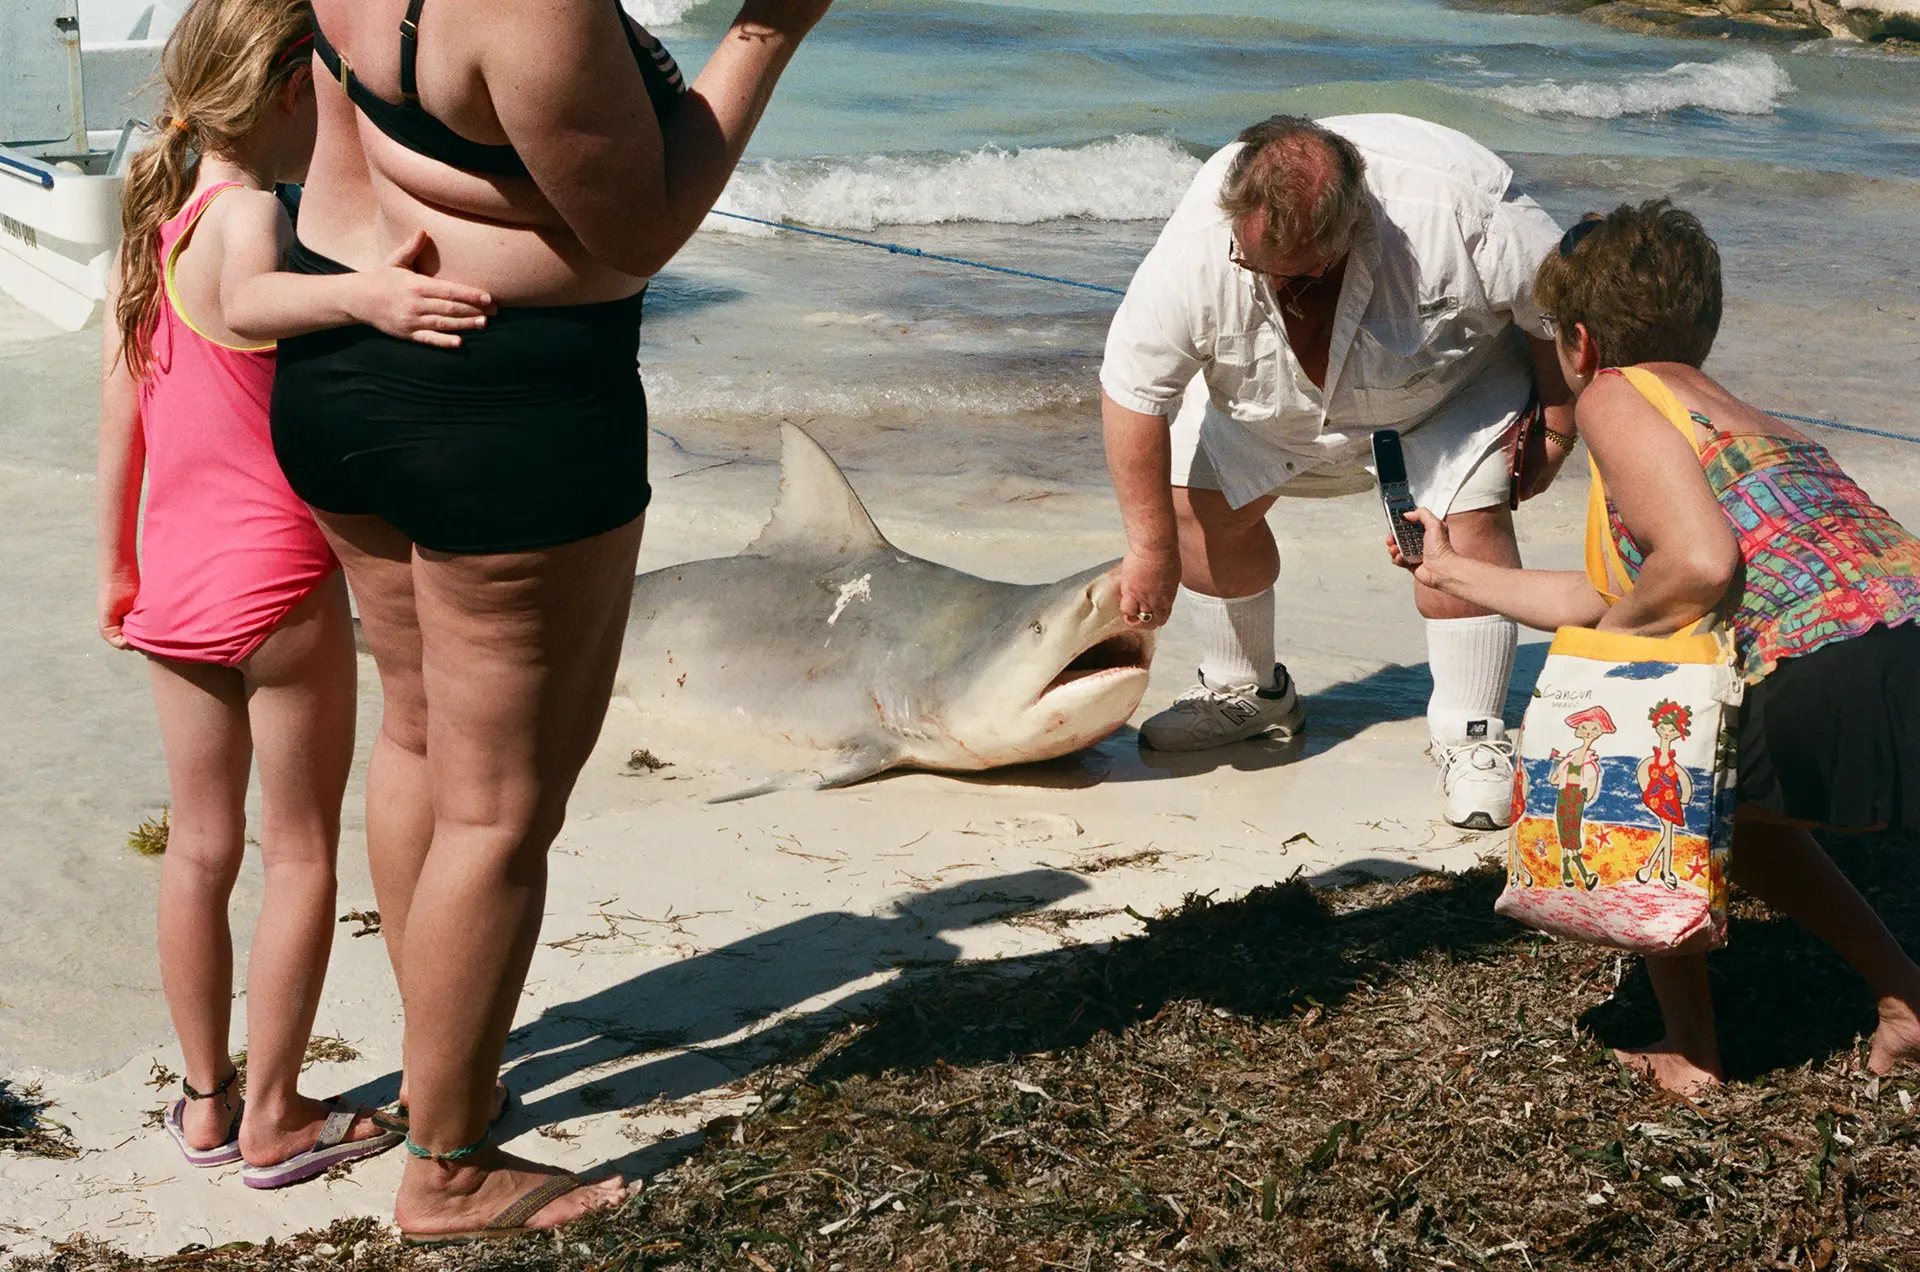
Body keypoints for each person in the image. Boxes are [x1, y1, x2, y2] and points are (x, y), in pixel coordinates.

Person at [260, 0, 834, 1242]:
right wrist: (768, 34)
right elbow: (642, 227)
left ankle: (443, 1073)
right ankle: (449, 1168)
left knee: (417, 733)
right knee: (500, 810)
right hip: (501, 407)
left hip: (342, 361)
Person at [1392, 199, 1920, 1093]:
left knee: (1643, 754)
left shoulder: (1613, 393)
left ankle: (1691, 1050)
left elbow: (1699, 565)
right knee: (1738, 807)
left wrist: (1609, 659)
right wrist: (1452, 573)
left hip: (1837, 679)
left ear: (1580, 341)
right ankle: (1905, 996)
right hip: (1897, 653)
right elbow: (1617, 591)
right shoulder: (1746, 421)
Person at [97, 0, 493, 1189]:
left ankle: (205, 1104)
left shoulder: (158, 230)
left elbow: (122, 415)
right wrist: (372, 298)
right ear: (286, 92)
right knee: (303, 853)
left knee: (197, 852)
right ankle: (275, 1116)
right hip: (276, 588)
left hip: (174, 592)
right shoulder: (254, 216)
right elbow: (259, 301)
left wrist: (114, 567)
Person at [1101, 113, 1575, 830]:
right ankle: (1247, 692)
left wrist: (1558, 429)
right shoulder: (1200, 241)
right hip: (1266, 402)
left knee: (1462, 534)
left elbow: (1559, 313)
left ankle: (1472, 732)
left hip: (1447, 396)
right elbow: (1133, 392)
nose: (1278, 286)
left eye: (1302, 272)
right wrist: (1148, 548)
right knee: (1192, 510)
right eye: (1256, 264)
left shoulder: (1459, 208)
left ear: (1355, 222)